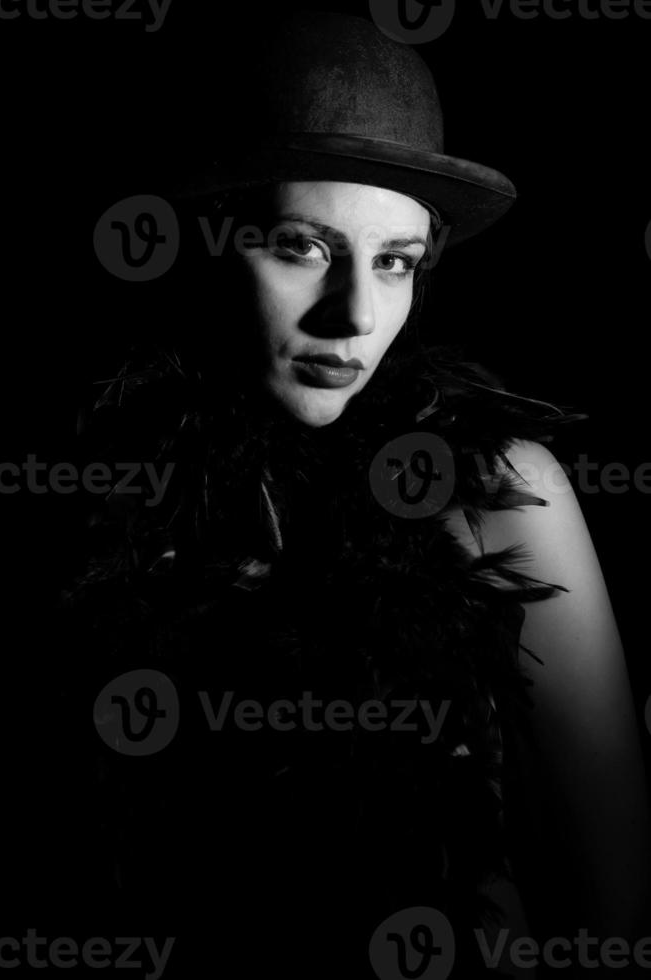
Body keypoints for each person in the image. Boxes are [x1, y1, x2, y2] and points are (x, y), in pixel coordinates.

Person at [59, 10, 650, 978]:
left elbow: (615, 905)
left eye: (397, 262)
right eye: (302, 245)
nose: (358, 317)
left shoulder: (497, 488)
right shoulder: (113, 510)